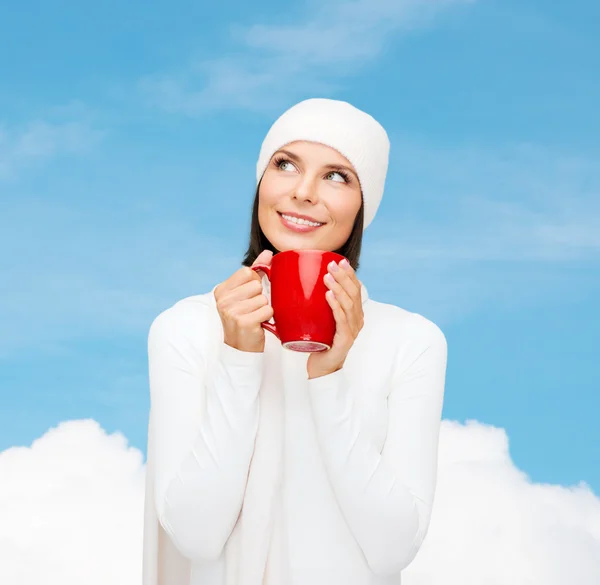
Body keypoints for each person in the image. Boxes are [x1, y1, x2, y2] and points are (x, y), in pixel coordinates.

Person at [142, 98, 448, 585]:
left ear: (363, 205)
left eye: (337, 176)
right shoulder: (186, 328)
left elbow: (393, 549)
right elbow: (195, 537)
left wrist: (328, 379)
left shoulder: (410, 341)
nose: (303, 192)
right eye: (285, 165)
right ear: (262, 181)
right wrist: (239, 358)